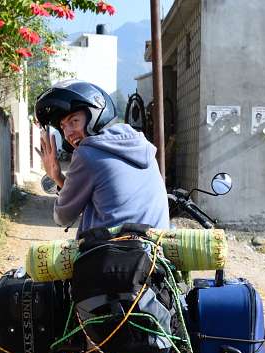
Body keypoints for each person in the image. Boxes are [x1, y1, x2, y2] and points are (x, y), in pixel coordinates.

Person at [35, 79, 169, 237]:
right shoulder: (139, 144)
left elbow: (63, 217)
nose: (68, 133)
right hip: (156, 252)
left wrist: (56, 176)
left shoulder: (87, 155)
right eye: (63, 126)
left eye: (74, 121)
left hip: (115, 256)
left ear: (95, 115)